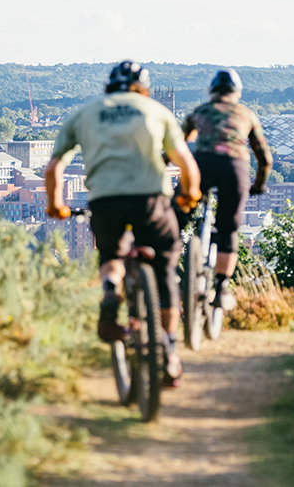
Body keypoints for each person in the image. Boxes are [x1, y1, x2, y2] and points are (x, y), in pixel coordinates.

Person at [45, 60, 200, 387]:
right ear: (142, 88)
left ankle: (110, 291)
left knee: (111, 257)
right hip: (150, 200)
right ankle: (169, 352)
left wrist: (55, 205)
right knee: (166, 269)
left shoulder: (85, 113)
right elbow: (186, 163)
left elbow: (53, 169)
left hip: (105, 200)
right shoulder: (154, 110)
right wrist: (189, 195)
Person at [178, 68, 273, 310]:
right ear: (237, 93)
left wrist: (162, 166)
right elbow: (264, 158)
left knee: (176, 215)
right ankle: (221, 288)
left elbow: (178, 144)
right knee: (228, 228)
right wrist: (258, 185)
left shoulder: (200, 112)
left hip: (203, 165)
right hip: (234, 168)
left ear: (211, 92)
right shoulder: (246, 115)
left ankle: (168, 259)